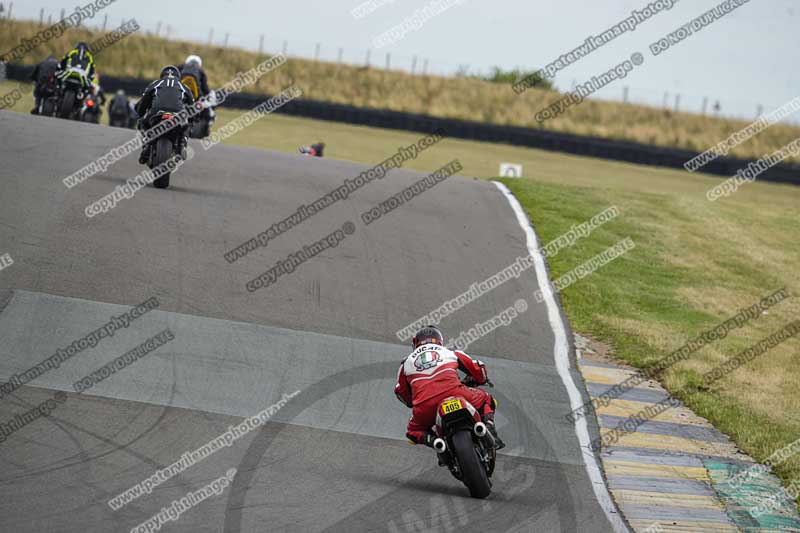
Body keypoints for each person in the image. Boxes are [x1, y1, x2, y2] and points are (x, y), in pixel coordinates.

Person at [394, 325, 505, 449]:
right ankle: (490, 431)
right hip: (455, 392)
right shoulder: (449, 352)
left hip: (425, 406)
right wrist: (481, 379)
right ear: (439, 340)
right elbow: (478, 367)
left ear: (415, 343)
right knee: (486, 399)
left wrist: (413, 402)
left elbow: (400, 392)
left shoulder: (406, 363)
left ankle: (435, 441)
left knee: (413, 431)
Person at [135, 65, 194, 163]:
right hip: (177, 113)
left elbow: (143, 102)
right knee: (187, 125)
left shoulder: (155, 84)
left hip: (157, 111)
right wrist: (191, 120)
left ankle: (147, 144)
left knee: (142, 123)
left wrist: (141, 115)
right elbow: (192, 106)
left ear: (162, 75)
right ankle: (182, 143)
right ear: (178, 76)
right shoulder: (184, 87)